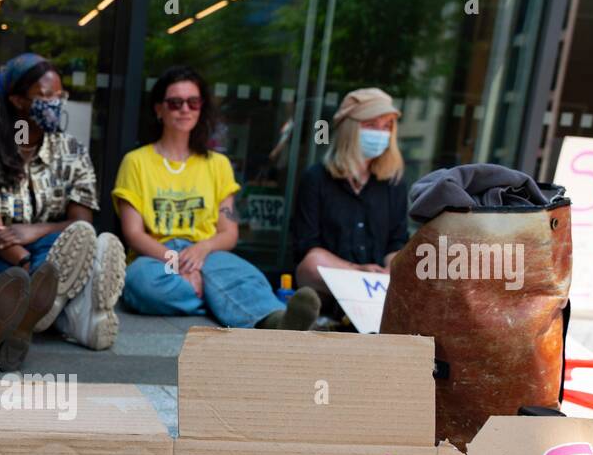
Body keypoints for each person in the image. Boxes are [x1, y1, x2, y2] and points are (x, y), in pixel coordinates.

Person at [0, 52, 126, 352]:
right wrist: (27, 264)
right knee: (21, 283)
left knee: (72, 239)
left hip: (46, 249)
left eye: (59, 94)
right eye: (44, 96)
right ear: (17, 101)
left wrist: (36, 230)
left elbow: (81, 222)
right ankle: (71, 312)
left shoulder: (72, 150)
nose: (55, 102)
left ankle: (50, 303)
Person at [114, 67, 320, 331]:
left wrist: (202, 250)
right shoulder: (136, 162)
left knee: (246, 274)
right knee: (140, 283)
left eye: (193, 102)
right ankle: (233, 307)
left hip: (206, 252)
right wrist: (178, 262)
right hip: (157, 257)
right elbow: (133, 233)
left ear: (201, 108)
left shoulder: (219, 164)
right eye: (175, 103)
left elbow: (229, 231)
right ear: (159, 109)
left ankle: (277, 321)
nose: (185, 109)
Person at [293, 87, 409, 296]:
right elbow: (308, 246)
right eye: (371, 125)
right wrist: (356, 270)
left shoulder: (394, 182)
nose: (380, 133)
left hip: (378, 286)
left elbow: (397, 241)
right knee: (311, 263)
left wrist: (393, 269)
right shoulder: (317, 178)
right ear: (349, 128)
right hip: (333, 279)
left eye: (387, 126)